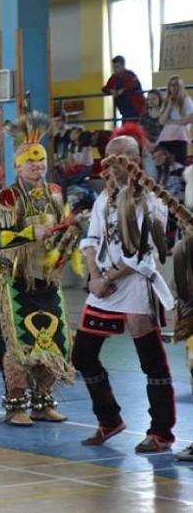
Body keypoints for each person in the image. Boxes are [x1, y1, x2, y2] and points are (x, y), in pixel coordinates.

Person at [74, 128, 176, 452]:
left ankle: (161, 431)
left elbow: (143, 255)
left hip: (133, 286)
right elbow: (91, 240)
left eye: (119, 159)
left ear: (134, 160)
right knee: (83, 355)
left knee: (151, 361)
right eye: (108, 159)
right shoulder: (104, 196)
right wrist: (94, 275)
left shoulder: (151, 198)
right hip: (102, 285)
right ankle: (109, 420)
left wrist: (108, 279)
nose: (111, 165)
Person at [0, 112, 77, 426]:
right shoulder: (8, 197)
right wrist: (28, 233)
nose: (38, 165)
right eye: (31, 161)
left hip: (47, 278)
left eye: (41, 160)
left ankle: (43, 402)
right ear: (18, 166)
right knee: (19, 343)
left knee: (52, 339)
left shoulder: (54, 192)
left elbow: (62, 229)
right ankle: (15, 406)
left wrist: (71, 231)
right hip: (16, 280)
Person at [157, 75, 193, 163]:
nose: (173, 87)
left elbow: (190, 119)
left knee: (179, 162)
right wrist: (169, 104)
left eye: (175, 85)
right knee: (165, 162)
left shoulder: (186, 100)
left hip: (180, 136)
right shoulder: (166, 101)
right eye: (171, 85)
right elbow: (162, 121)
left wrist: (172, 122)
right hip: (167, 136)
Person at [101, 55, 146, 121]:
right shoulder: (114, 78)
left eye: (117, 67)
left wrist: (123, 90)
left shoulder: (130, 74)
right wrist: (111, 90)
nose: (115, 69)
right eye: (113, 67)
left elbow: (134, 85)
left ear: (123, 66)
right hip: (124, 111)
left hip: (136, 108)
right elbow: (104, 89)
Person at [140, 89, 164, 178]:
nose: (151, 101)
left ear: (159, 99)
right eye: (149, 99)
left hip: (162, 145)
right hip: (147, 146)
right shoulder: (144, 116)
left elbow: (166, 131)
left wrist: (157, 144)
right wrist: (148, 144)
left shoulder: (164, 115)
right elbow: (141, 132)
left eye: (153, 98)